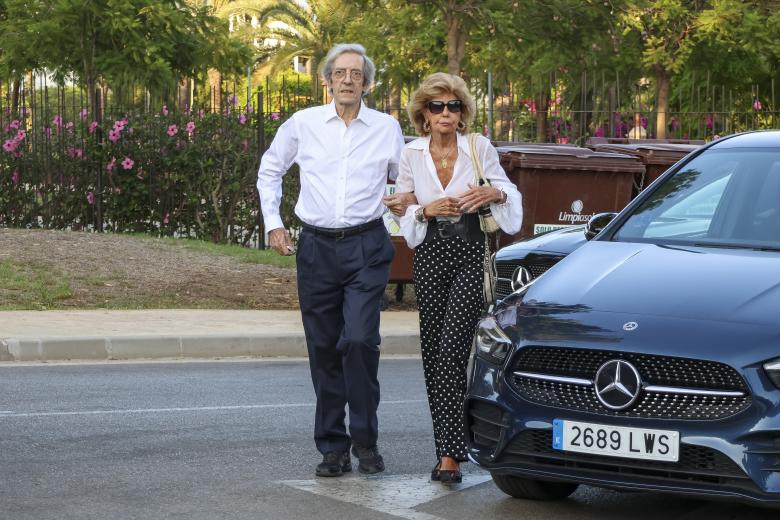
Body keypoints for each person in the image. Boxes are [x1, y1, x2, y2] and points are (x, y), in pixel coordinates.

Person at [257, 43, 405, 478]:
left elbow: (403, 179)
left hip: (367, 246)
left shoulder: (386, 127)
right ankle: (332, 448)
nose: (347, 80)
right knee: (323, 349)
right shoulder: (302, 124)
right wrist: (273, 222)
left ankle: (365, 439)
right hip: (317, 248)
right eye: (339, 73)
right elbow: (271, 169)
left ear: (366, 82)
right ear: (327, 80)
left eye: (355, 74)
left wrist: (402, 209)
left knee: (359, 340)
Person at [385, 72, 522, 484]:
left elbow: (510, 198)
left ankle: (452, 454)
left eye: (454, 106)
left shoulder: (478, 147)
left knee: (451, 352)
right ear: (424, 114)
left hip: (468, 252)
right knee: (432, 354)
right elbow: (402, 209)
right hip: (429, 254)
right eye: (437, 106)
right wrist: (425, 211)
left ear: (463, 113)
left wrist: (493, 194)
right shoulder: (412, 153)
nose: (446, 113)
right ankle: (445, 449)